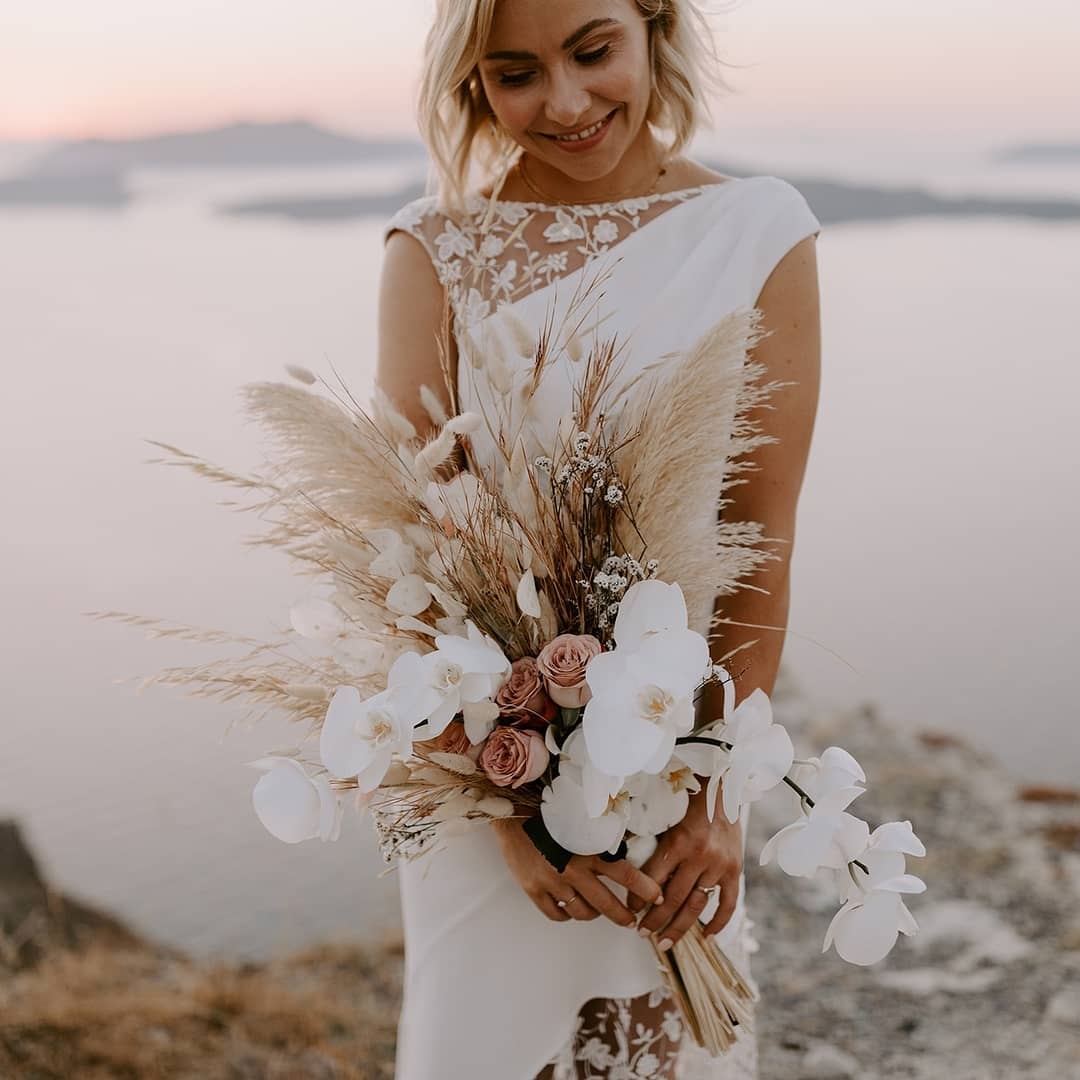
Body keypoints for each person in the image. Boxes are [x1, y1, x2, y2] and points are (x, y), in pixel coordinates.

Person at [376, 1, 821, 1076]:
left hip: (679, 760)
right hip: (486, 776)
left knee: (667, 1044)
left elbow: (759, 532)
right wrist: (501, 809)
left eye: (592, 52)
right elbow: (408, 553)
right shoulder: (435, 250)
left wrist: (713, 789)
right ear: (471, 84)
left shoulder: (758, 229)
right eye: (516, 72)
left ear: (652, 27)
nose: (567, 104)